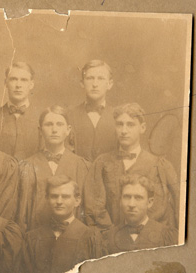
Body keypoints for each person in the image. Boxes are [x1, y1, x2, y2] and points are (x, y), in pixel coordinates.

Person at [84, 103, 180, 231]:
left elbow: (178, 205)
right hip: (111, 241)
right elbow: (94, 206)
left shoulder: (160, 165)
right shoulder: (102, 163)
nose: (124, 131)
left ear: (142, 128)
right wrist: (111, 236)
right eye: (119, 124)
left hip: (150, 241)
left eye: (130, 124)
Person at [25, 105, 91, 230]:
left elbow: (87, 210)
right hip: (36, 239)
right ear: (40, 130)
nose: (54, 129)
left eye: (59, 124)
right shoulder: (26, 166)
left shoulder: (82, 166)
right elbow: (22, 213)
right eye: (49, 124)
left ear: (68, 130)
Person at [23, 175, 105, 273]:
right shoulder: (32, 238)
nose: (59, 201)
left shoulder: (91, 237)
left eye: (65, 197)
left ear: (77, 201)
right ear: (47, 199)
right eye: (54, 196)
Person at [105, 174, 178, 254]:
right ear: (120, 201)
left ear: (149, 202)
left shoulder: (166, 235)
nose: (131, 204)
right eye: (127, 197)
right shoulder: (109, 237)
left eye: (138, 198)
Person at [68, 60, 118, 161]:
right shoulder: (69, 115)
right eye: (90, 78)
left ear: (110, 84)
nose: (95, 84)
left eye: (100, 78)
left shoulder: (119, 117)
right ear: (82, 83)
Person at [0, 61, 40, 160]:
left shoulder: (42, 118)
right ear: (5, 83)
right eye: (13, 79)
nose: (18, 85)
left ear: (31, 84)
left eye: (24, 80)